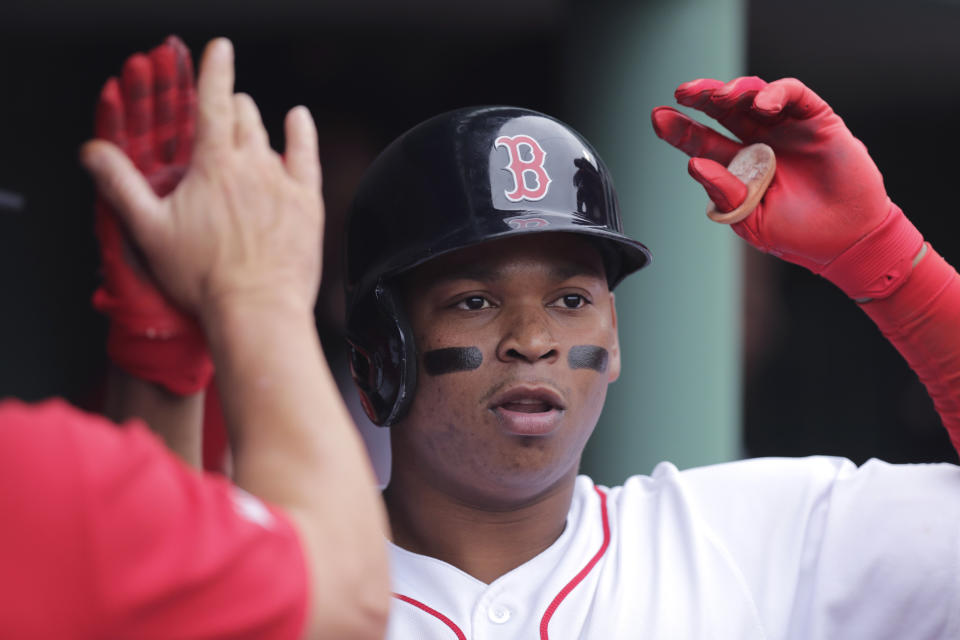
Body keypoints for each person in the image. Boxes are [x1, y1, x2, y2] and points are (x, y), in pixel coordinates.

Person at [341, 80, 960, 637]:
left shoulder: (756, 540)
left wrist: (886, 256)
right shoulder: (283, 575)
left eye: (570, 299)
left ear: (613, 338)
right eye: (475, 301)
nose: (533, 340)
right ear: (381, 356)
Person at [0, 37, 389, 639]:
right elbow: (349, 601)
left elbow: (159, 605)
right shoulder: (29, 475)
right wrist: (256, 285)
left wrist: (161, 354)